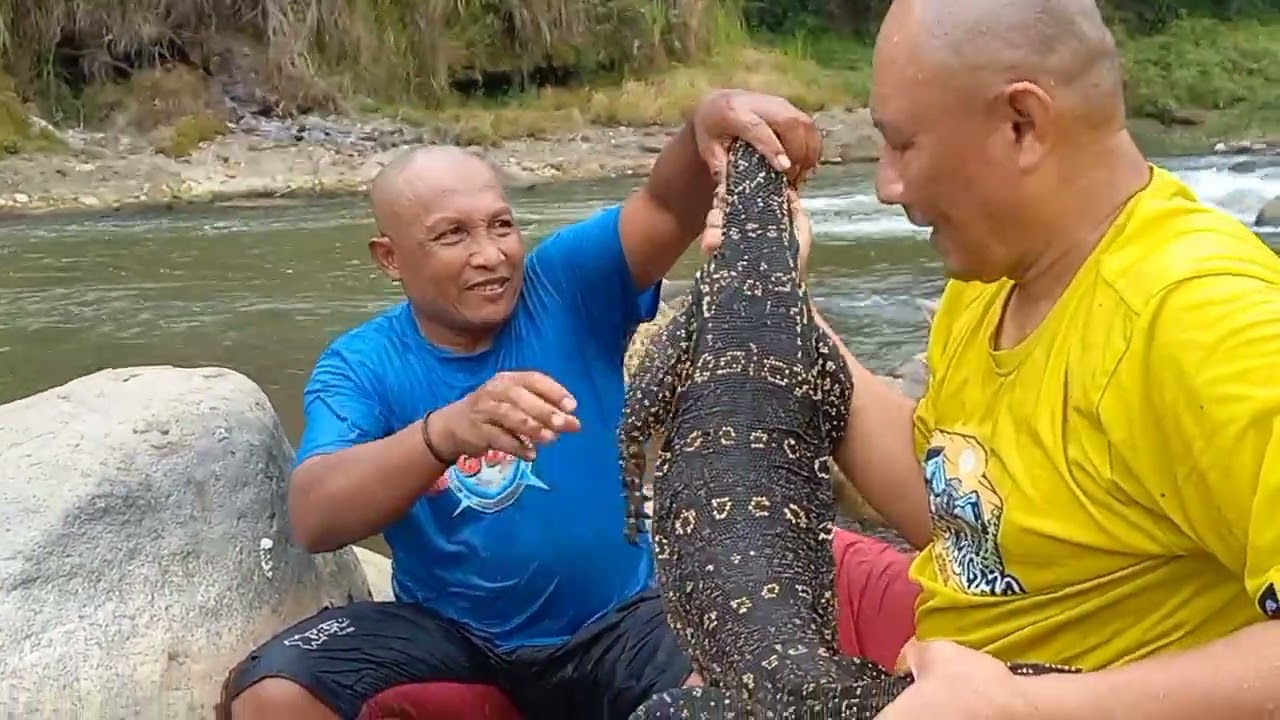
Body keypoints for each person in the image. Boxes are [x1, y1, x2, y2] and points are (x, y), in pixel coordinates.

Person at [217, 90, 919, 720]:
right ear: (389, 258)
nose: (490, 255)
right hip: (457, 637)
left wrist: (703, 124)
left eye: (501, 225)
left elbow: (667, 205)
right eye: (452, 235)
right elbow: (314, 515)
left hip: (626, 620)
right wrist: (442, 433)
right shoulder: (363, 364)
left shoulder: (565, 287)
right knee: (273, 694)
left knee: (743, 696)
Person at [723, 0, 1280, 716]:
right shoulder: (994, 281)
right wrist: (778, 308)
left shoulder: (1205, 321)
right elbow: (965, 519)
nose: (885, 185)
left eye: (902, 145)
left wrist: (1023, 708)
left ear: (1023, 123)